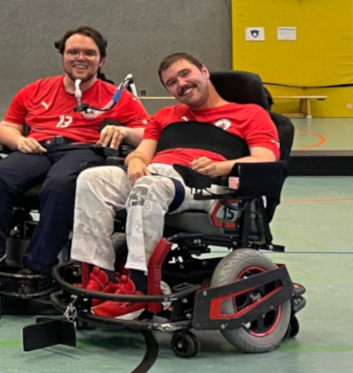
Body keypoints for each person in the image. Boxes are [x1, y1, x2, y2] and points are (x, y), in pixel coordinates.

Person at [71, 53, 279, 319]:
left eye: (185, 74)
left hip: (208, 185)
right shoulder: (165, 116)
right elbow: (143, 152)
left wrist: (221, 167)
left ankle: (140, 288)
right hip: (157, 175)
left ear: (204, 71)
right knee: (92, 179)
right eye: (171, 82)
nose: (181, 84)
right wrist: (135, 160)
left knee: (149, 186)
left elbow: (265, 159)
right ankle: (101, 276)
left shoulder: (250, 114)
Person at [0, 26, 150, 276]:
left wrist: (125, 132)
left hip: (82, 150)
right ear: (63, 56)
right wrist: (18, 141)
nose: (80, 58)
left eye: (89, 53)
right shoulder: (36, 89)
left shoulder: (117, 97)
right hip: (39, 148)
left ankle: (38, 265)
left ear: (101, 60)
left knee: (59, 183)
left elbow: (148, 132)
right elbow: (6, 126)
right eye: (73, 52)